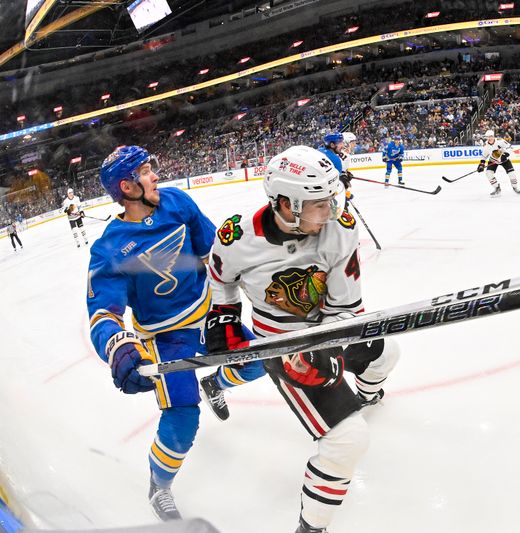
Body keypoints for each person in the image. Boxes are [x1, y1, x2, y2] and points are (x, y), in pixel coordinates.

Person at [199, 145, 400, 533]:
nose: (331, 210)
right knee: (347, 443)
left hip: (328, 329)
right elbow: (222, 281)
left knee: (387, 353)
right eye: (318, 204)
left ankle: (364, 398)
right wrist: (223, 316)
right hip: (283, 344)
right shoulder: (235, 236)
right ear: (286, 205)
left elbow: (346, 305)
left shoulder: (339, 228)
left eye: (331, 198)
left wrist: (331, 343)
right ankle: (311, 527)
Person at [86, 145, 217, 521]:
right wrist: (117, 345)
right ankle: (159, 485)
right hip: (166, 338)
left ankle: (217, 385)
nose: (156, 175)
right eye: (146, 171)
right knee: (183, 418)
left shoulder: (178, 203)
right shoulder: (109, 247)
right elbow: (102, 312)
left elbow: (215, 250)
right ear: (127, 187)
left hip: (210, 316)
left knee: (258, 362)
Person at [478, 129, 520, 197]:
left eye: (491, 136)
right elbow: (484, 156)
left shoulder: (500, 141)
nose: (490, 138)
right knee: (488, 173)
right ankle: (497, 188)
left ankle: (515, 187)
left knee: (512, 174)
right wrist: (481, 165)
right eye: (488, 137)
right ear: (486, 137)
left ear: (493, 136)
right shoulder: (485, 145)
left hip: (504, 160)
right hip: (493, 161)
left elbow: (510, 147)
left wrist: (505, 155)